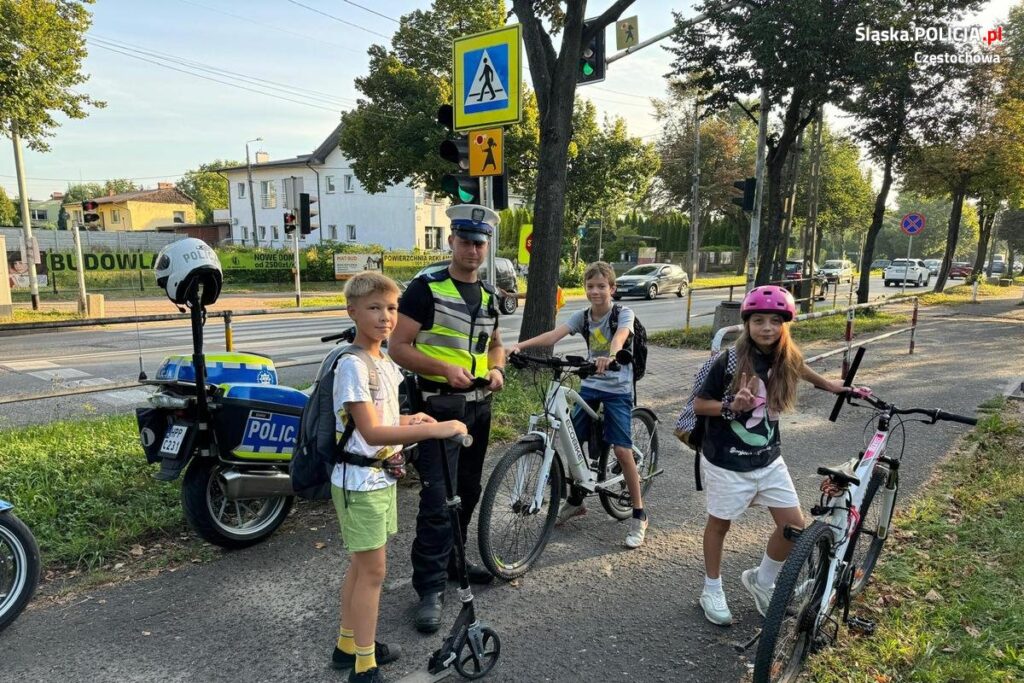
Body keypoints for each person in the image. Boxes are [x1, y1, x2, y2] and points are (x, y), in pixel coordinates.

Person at [692, 285, 868, 626]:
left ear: (785, 324)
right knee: (719, 524)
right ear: (747, 323)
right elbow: (701, 405)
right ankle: (711, 589)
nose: (767, 328)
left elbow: (801, 369)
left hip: (769, 458)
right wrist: (731, 406)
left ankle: (762, 581)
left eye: (775, 320)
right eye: (759, 320)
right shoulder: (728, 360)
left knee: (793, 527)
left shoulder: (785, 355)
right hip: (727, 460)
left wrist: (834, 386)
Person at [329, 271, 468, 683]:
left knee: (361, 567)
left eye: (391, 308)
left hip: (376, 479)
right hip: (359, 482)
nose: (385, 317)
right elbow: (371, 434)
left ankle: (348, 646)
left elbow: (378, 421)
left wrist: (411, 418)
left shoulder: (381, 361)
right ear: (352, 311)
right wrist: (434, 428)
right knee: (372, 573)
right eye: (373, 308)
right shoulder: (353, 364)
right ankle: (364, 667)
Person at [389, 204, 506, 634]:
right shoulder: (426, 288)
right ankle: (430, 589)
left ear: (486, 246)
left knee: (469, 490)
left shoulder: (491, 296)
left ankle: (454, 562)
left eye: (480, 243)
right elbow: (398, 347)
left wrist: (497, 369)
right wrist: (442, 370)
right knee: (439, 499)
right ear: (451, 241)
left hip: (478, 407)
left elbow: (495, 344)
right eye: (465, 241)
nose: (472, 251)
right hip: (437, 408)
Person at [511, 261, 649, 549]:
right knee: (569, 437)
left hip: (617, 391)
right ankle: (576, 500)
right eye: (590, 286)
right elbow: (554, 334)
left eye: (601, 286)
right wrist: (521, 347)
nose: (595, 291)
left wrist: (610, 355)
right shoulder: (583, 317)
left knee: (622, 450)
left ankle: (639, 513)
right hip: (590, 386)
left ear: (612, 288)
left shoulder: (623, 314)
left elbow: (622, 337)